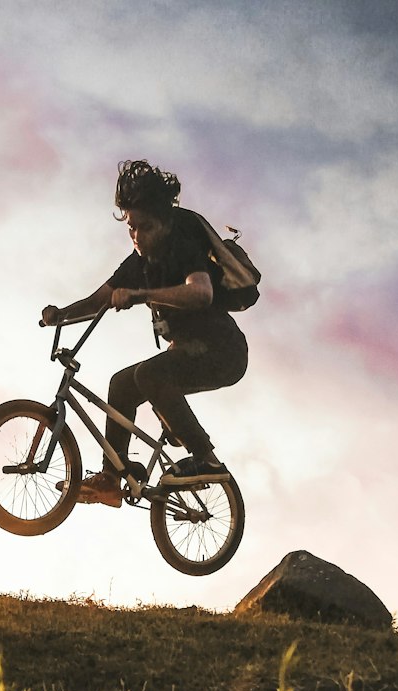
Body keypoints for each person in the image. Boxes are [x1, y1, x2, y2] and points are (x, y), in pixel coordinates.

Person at [41, 159, 249, 508]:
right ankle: (110, 479)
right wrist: (61, 316)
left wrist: (141, 295)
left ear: (165, 223)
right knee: (121, 384)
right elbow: (98, 300)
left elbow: (202, 293)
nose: (137, 236)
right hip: (187, 351)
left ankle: (206, 459)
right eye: (131, 228)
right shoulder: (138, 264)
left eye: (146, 227)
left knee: (149, 374)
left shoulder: (183, 246)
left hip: (223, 352)